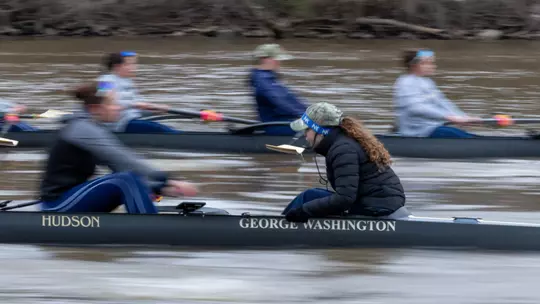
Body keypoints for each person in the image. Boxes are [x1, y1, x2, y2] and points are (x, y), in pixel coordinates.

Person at [38, 81, 198, 213]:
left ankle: (146, 221)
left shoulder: (91, 127)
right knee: (126, 180)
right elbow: (125, 159)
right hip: (57, 205)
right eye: (112, 103)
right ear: (95, 108)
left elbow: (117, 165)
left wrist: (158, 188)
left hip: (71, 198)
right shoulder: (81, 128)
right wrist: (167, 179)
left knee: (128, 178)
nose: (118, 107)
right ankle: (150, 229)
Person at [282, 102, 407, 223]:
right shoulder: (341, 142)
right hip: (375, 201)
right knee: (309, 195)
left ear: (319, 130)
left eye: (307, 130)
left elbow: (345, 198)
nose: (305, 136)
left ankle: (281, 225)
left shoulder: (343, 150)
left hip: (378, 206)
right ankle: (282, 221)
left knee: (307, 205)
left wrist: (304, 211)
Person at [393, 49, 482, 138]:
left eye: (432, 63)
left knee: (469, 136)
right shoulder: (405, 82)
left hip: (431, 128)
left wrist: (463, 117)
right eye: (427, 63)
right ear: (414, 65)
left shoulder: (428, 82)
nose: (432, 66)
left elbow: (443, 103)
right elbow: (415, 108)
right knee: (459, 135)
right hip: (416, 132)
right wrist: (448, 117)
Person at [97, 51, 178, 133]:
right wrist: (135, 104)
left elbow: (139, 110)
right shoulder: (105, 81)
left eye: (134, 64)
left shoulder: (129, 82)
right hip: (118, 125)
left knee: (165, 128)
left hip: (131, 121)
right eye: (129, 64)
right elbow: (103, 103)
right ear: (117, 66)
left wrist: (155, 111)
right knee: (159, 129)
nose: (134, 68)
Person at [248, 44, 307, 135]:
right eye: (277, 59)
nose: (279, 62)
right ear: (266, 59)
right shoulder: (263, 81)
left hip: (285, 122)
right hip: (276, 126)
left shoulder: (270, 78)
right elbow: (280, 101)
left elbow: (292, 101)